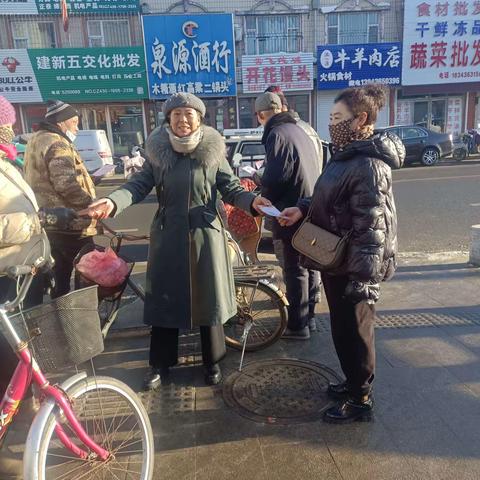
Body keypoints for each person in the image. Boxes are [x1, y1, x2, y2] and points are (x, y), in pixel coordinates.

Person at [80, 93, 271, 390]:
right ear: (168, 119)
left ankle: (212, 362)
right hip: (168, 235)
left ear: (199, 119)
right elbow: (137, 185)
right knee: (165, 300)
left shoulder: (212, 151)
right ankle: (160, 363)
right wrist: (111, 201)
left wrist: (253, 201)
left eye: (189, 114)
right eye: (177, 114)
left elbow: (231, 188)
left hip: (206, 235)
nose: (183, 120)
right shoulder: (158, 152)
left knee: (209, 301)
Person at [279, 85, 405, 422]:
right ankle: (351, 382)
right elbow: (327, 198)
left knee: (357, 331)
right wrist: (300, 208)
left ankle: (361, 396)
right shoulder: (344, 155)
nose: (330, 124)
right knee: (342, 328)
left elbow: (372, 229)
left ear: (360, 118)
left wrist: (363, 282)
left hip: (355, 266)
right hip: (336, 258)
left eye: (337, 118)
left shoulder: (368, 165)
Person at [0, 96, 75, 480]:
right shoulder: (53, 145)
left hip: (21, 274)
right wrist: (39, 220)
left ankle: (22, 421)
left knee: (19, 360)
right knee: (10, 361)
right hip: (6, 279)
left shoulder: (10, 157)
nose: (10, 131)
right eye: (6, 124)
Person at [255, 92, 320, 340]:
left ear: (261, 116)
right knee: (311, 266)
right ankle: (310, 318)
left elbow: (275, 178)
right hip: (309, 205)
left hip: (289, 211)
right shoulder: (301, 131)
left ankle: (297, 325)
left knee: (294, 269)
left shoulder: (277, 134)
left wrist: (261, 183)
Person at [24, 100, 98, 298]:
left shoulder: (36, 139)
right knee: (85, 271)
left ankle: (60, 315)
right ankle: (81, 316)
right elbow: (66, 184)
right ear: (61, 123)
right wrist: (91, 204)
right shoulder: (57, 142)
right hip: (71, 222)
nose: (77, 127)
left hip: (49, 219)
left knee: (59, 275)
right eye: (74, 122)